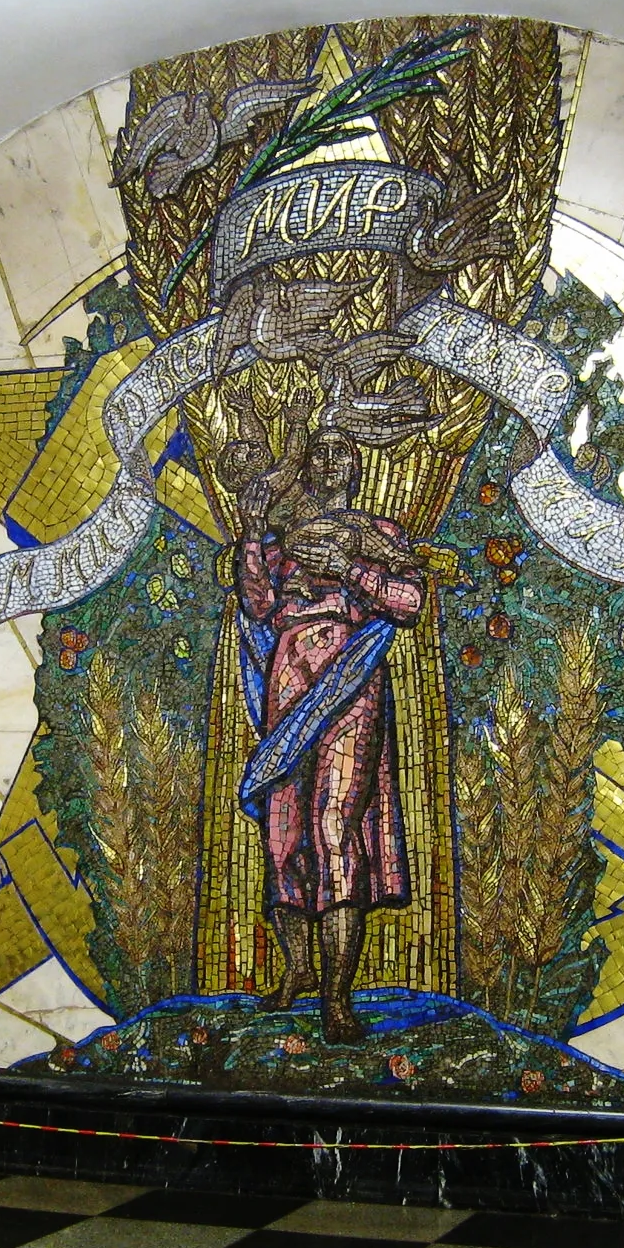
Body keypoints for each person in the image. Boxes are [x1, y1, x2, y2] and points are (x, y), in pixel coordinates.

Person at [234, 429, 427, 1043]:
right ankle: (296, 973)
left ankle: (337, 999)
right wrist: (252, 531)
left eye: (342, 452)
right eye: (318, 454)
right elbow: (258, 604)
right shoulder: (285, 540)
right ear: (308, 471)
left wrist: (349, 569)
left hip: (350, 676)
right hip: (289, 677)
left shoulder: (379, 534)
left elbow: (409, 600)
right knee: (285, 832)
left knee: (334, 825)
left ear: (358, 465)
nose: (330, 462)